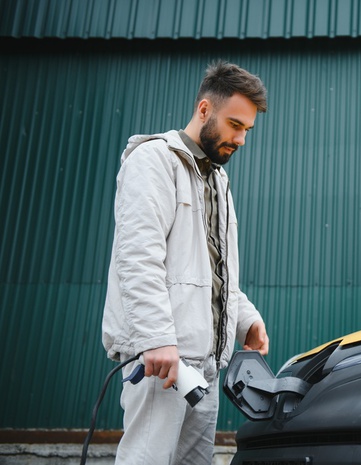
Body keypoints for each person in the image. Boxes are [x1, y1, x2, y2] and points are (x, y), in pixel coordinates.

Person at [102, 60, 270, 464]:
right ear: (204, 110)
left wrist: (245, 317)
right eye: (235, 125)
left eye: (247, 129)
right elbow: (138, 256)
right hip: (163, 359)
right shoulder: (153, 161)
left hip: (205, 364)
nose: (242, 139)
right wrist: (156, 337)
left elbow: (214, 267)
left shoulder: (217, 179)